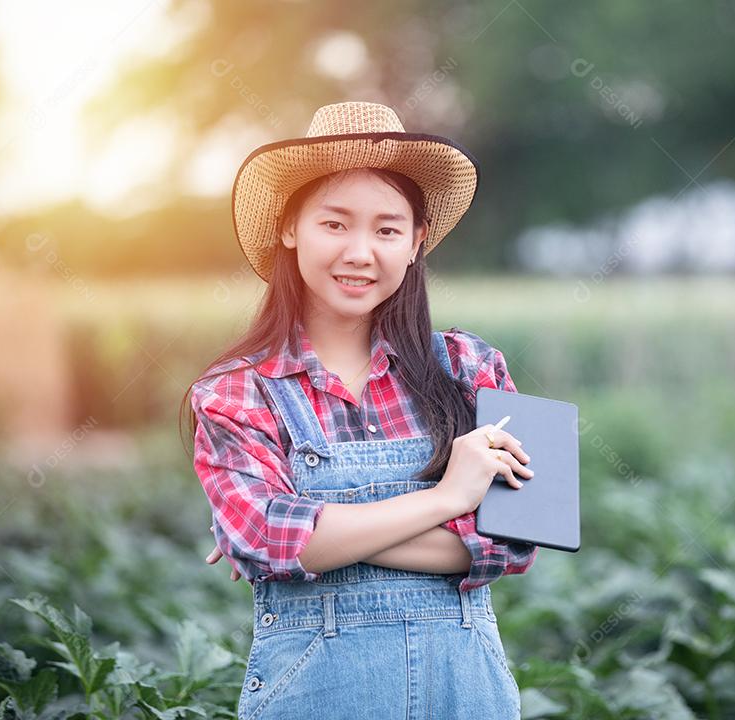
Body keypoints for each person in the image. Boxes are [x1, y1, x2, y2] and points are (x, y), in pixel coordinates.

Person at [183, 101, 537, 719]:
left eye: (387, 230)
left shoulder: (473, 367)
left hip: (465, 698)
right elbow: (267, 538)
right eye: (334, 223)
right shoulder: (235, 391)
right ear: (289, 228)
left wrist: (309, 532)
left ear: (417, 242)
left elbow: (519, 541)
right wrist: (449, 500)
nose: (359, 252)